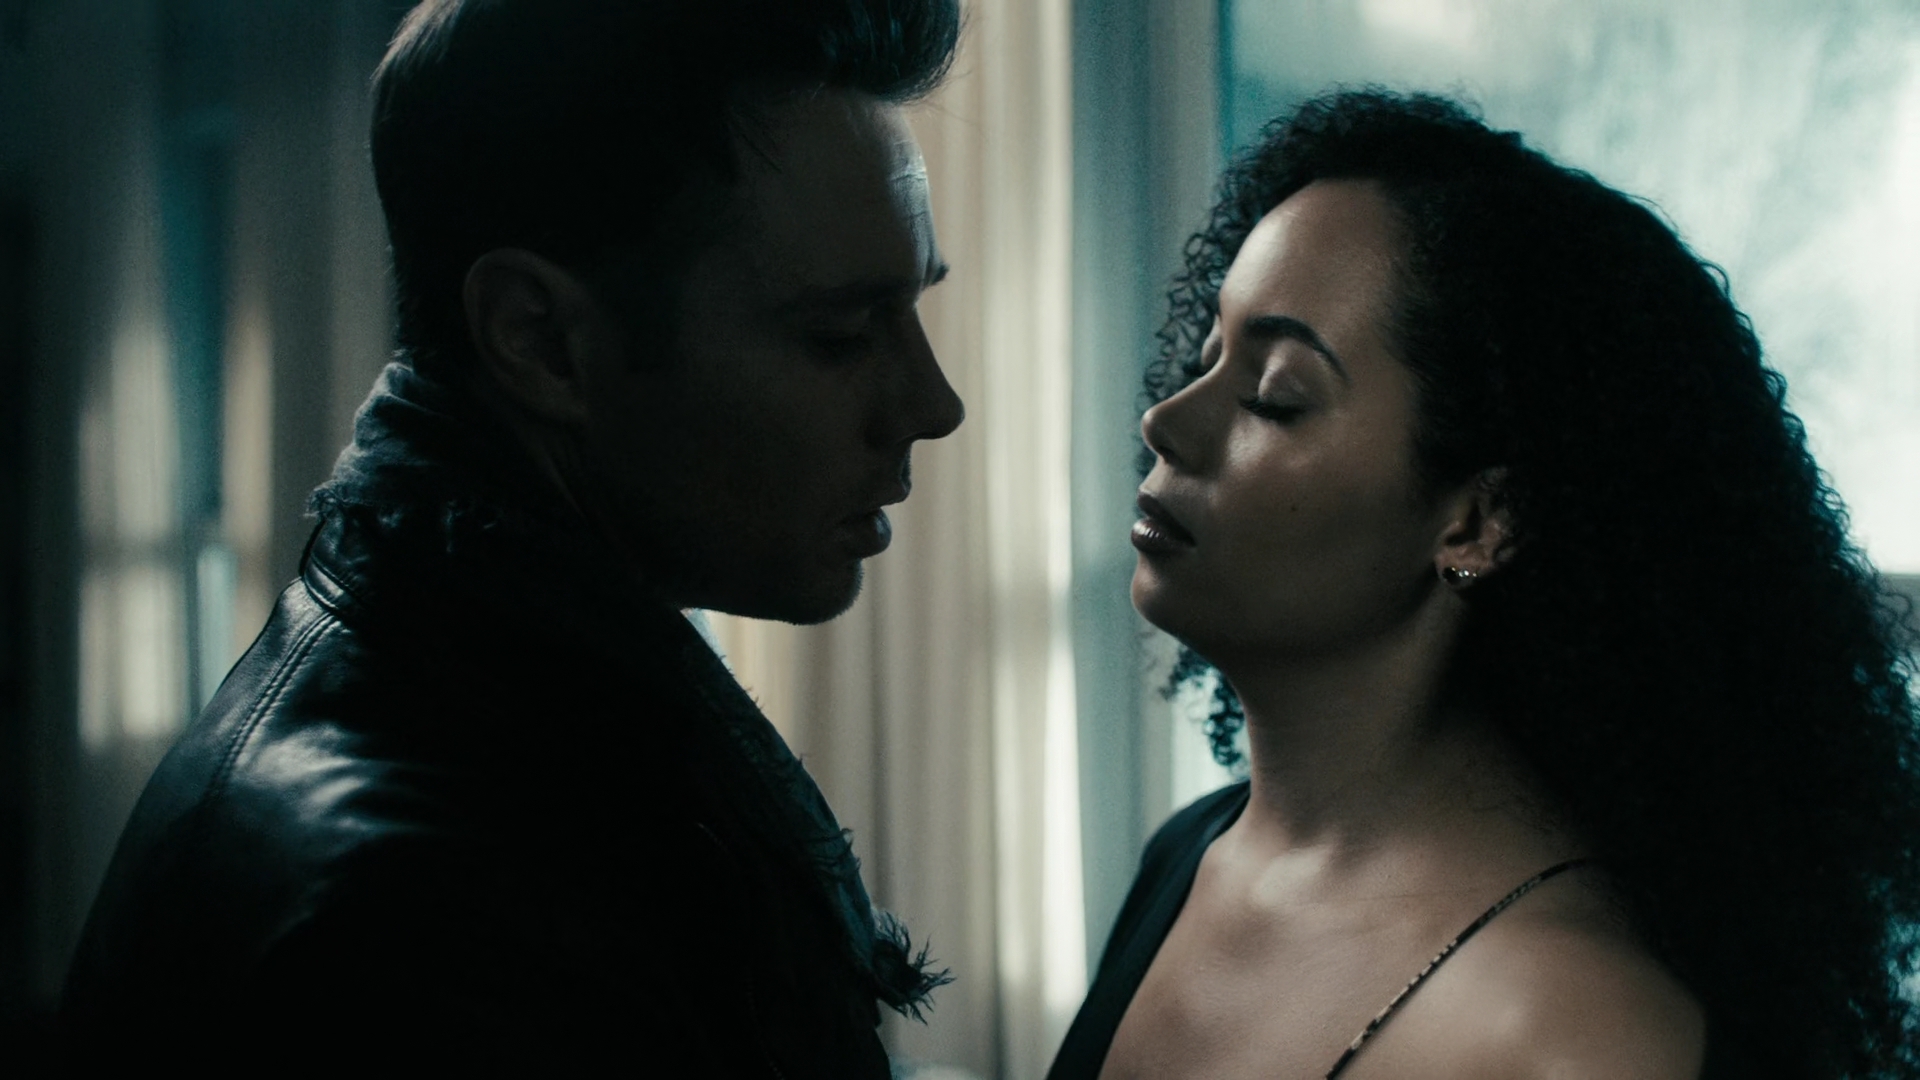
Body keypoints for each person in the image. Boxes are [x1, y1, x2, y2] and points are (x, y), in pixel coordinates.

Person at [62, 0, 964, 1072]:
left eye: (914, 311)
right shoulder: (421, 929)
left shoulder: (519, 723)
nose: (933, 404)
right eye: (840, 335)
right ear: (539, 340)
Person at [1050, 90, 1920, 1080]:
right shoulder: (1188, 855)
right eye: (1207, 356)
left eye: (1274, 395)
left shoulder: (1572, 1037)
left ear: (1476, 521)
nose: (1166, 421)